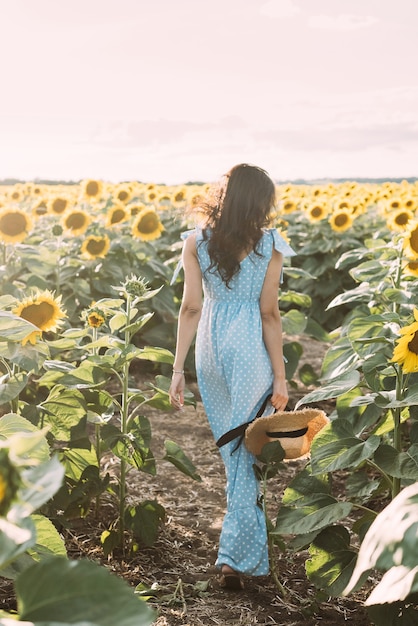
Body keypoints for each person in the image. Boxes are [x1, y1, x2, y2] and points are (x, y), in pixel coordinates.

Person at [169, 163, 296, 590]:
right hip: (249, 351)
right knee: (248, 451)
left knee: (233, 451)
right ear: (260, 202)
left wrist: (176, 371)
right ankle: (236, 559)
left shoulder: (195, 242)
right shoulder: (270, 245)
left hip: (209, 350)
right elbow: (269, 313)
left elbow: (189, 308)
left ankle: (236, 552)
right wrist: (281, 377)